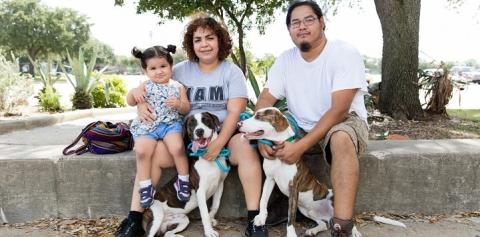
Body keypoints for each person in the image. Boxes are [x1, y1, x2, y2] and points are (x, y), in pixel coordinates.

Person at [115, 14, 268, 237]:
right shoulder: (179, 71)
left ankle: (255, 219)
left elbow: (235, 113)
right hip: (184, 137)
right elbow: (152, 85)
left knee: (246, 149)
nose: (204, 44)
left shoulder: (231, 72)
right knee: (153, 152)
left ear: (220, 41)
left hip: (221, 134)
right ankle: (135, 219)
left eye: (210, 38)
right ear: (191, 44)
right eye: (198, 39)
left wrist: (218, 145)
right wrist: (140, 105)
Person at [254, 1, 369, 237]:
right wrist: (263, 138)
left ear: (322, 22)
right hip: (301, 124)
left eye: (308, 20)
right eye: (295, 22)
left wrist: (300, 146)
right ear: (289, 31)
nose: (302, 27)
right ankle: (282, 204)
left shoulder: (344, 52)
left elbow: (339, 110)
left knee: (340, 138)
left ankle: (342, 226)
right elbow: (264, 102)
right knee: (269, 138)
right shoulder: (285, 60)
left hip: (344, 121)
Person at [127, 45, 192, 209]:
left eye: (163, 66)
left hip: (170, 124)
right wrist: (134, 92)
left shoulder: (177, 86)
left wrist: (178, 104)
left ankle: (183, 181)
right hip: (148, 126)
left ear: (171, 66)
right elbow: (130, 101)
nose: (159, 71)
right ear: (145, 71)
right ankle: (146, 186)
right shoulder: (144, 86)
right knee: (142, 151)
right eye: (153, 68)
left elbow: (186, 108)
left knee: (177, 148)